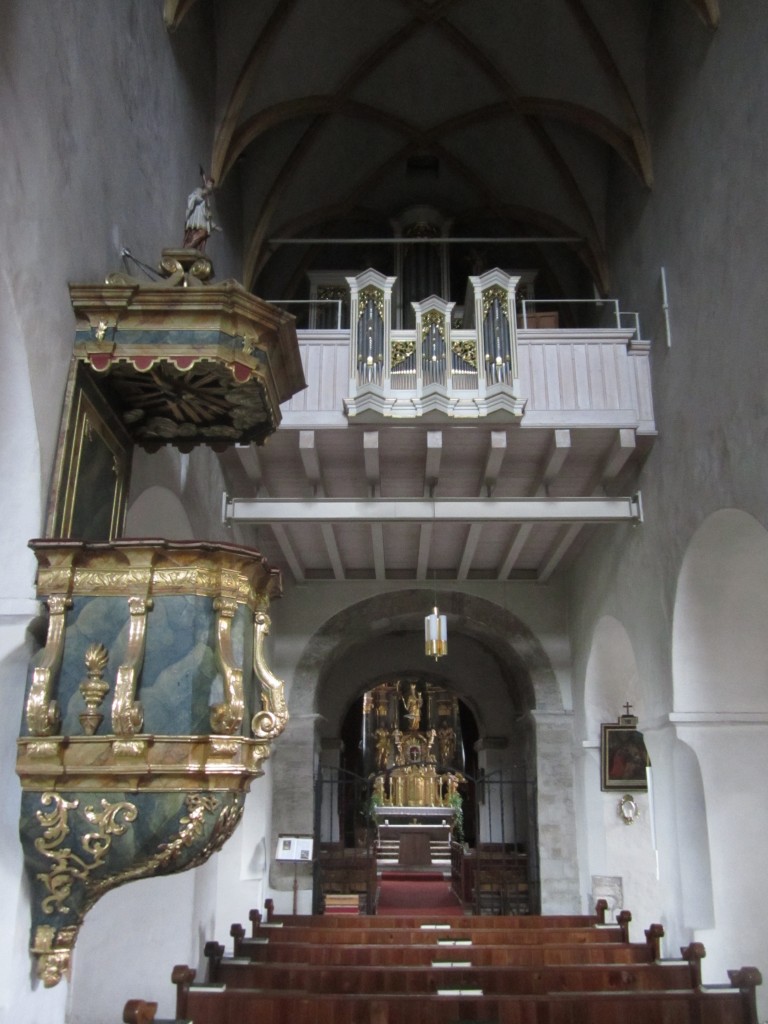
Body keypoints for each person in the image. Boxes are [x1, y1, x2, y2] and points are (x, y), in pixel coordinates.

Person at [183, 170, 218, 251]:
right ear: (206, 184)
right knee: (201, 232)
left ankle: (191, 248)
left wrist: (215, 226)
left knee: (204, 233)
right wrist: (202, 196)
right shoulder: (199, 191)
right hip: (195, 220)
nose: (211, 186)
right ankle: (188, 247)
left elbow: (207, 217)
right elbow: (192, 198)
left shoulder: (206, 200)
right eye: (210, 184)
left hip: (201, 221)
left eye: (212, 186)